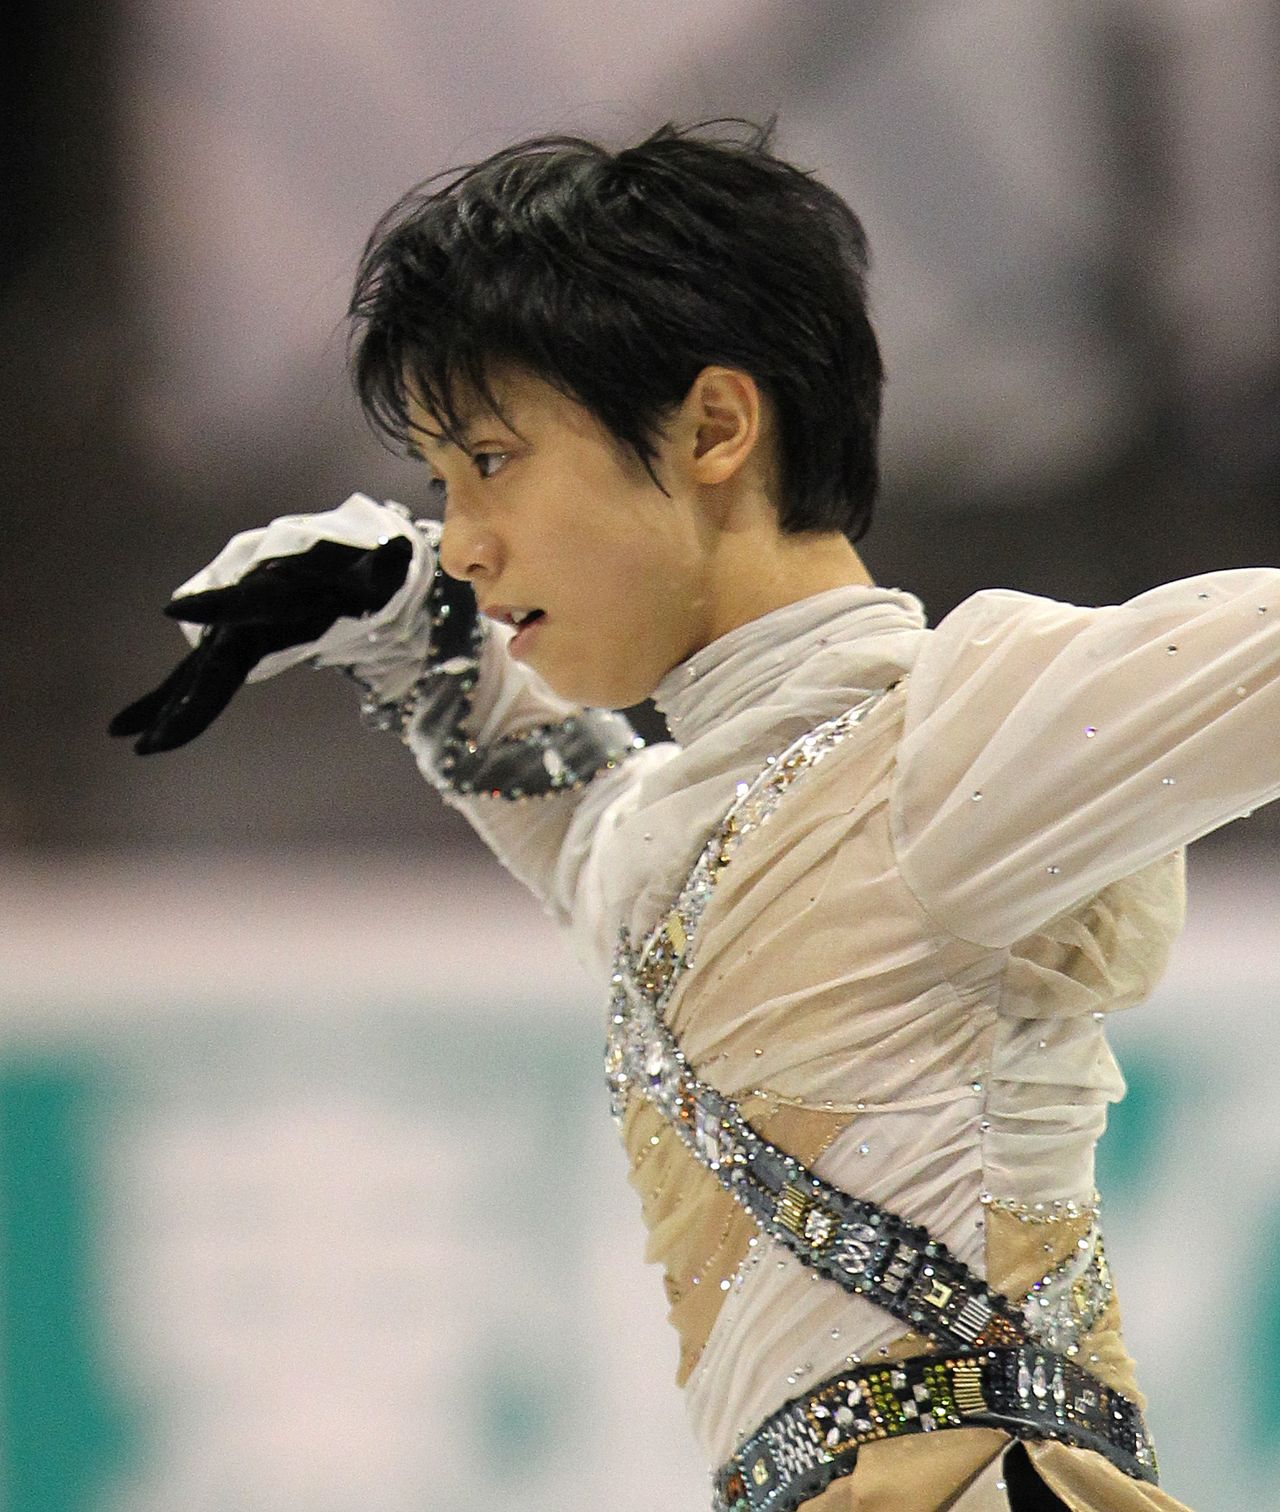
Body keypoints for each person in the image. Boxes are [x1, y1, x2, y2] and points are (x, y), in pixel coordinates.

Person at [111, 119, 1274, 1510]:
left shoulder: (958, 745)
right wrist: (403, 614)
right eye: (441, 485)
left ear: (716, 426)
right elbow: (574, 808)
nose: (467, 535)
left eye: (491, 461)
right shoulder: (675, 834)